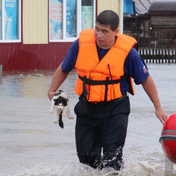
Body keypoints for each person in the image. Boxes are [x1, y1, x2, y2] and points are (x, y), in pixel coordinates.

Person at [48, 10, 168, 171]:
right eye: (97, 29)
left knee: (112, 160)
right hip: (87, 108)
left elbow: (146, 81)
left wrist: (158, 107)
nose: (98, 35)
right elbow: (64, 68)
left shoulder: (128, 54)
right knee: (86, 160)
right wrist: (51, 90)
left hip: (115, 109)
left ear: (115, 32)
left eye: (104, 31)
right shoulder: (81, 44)